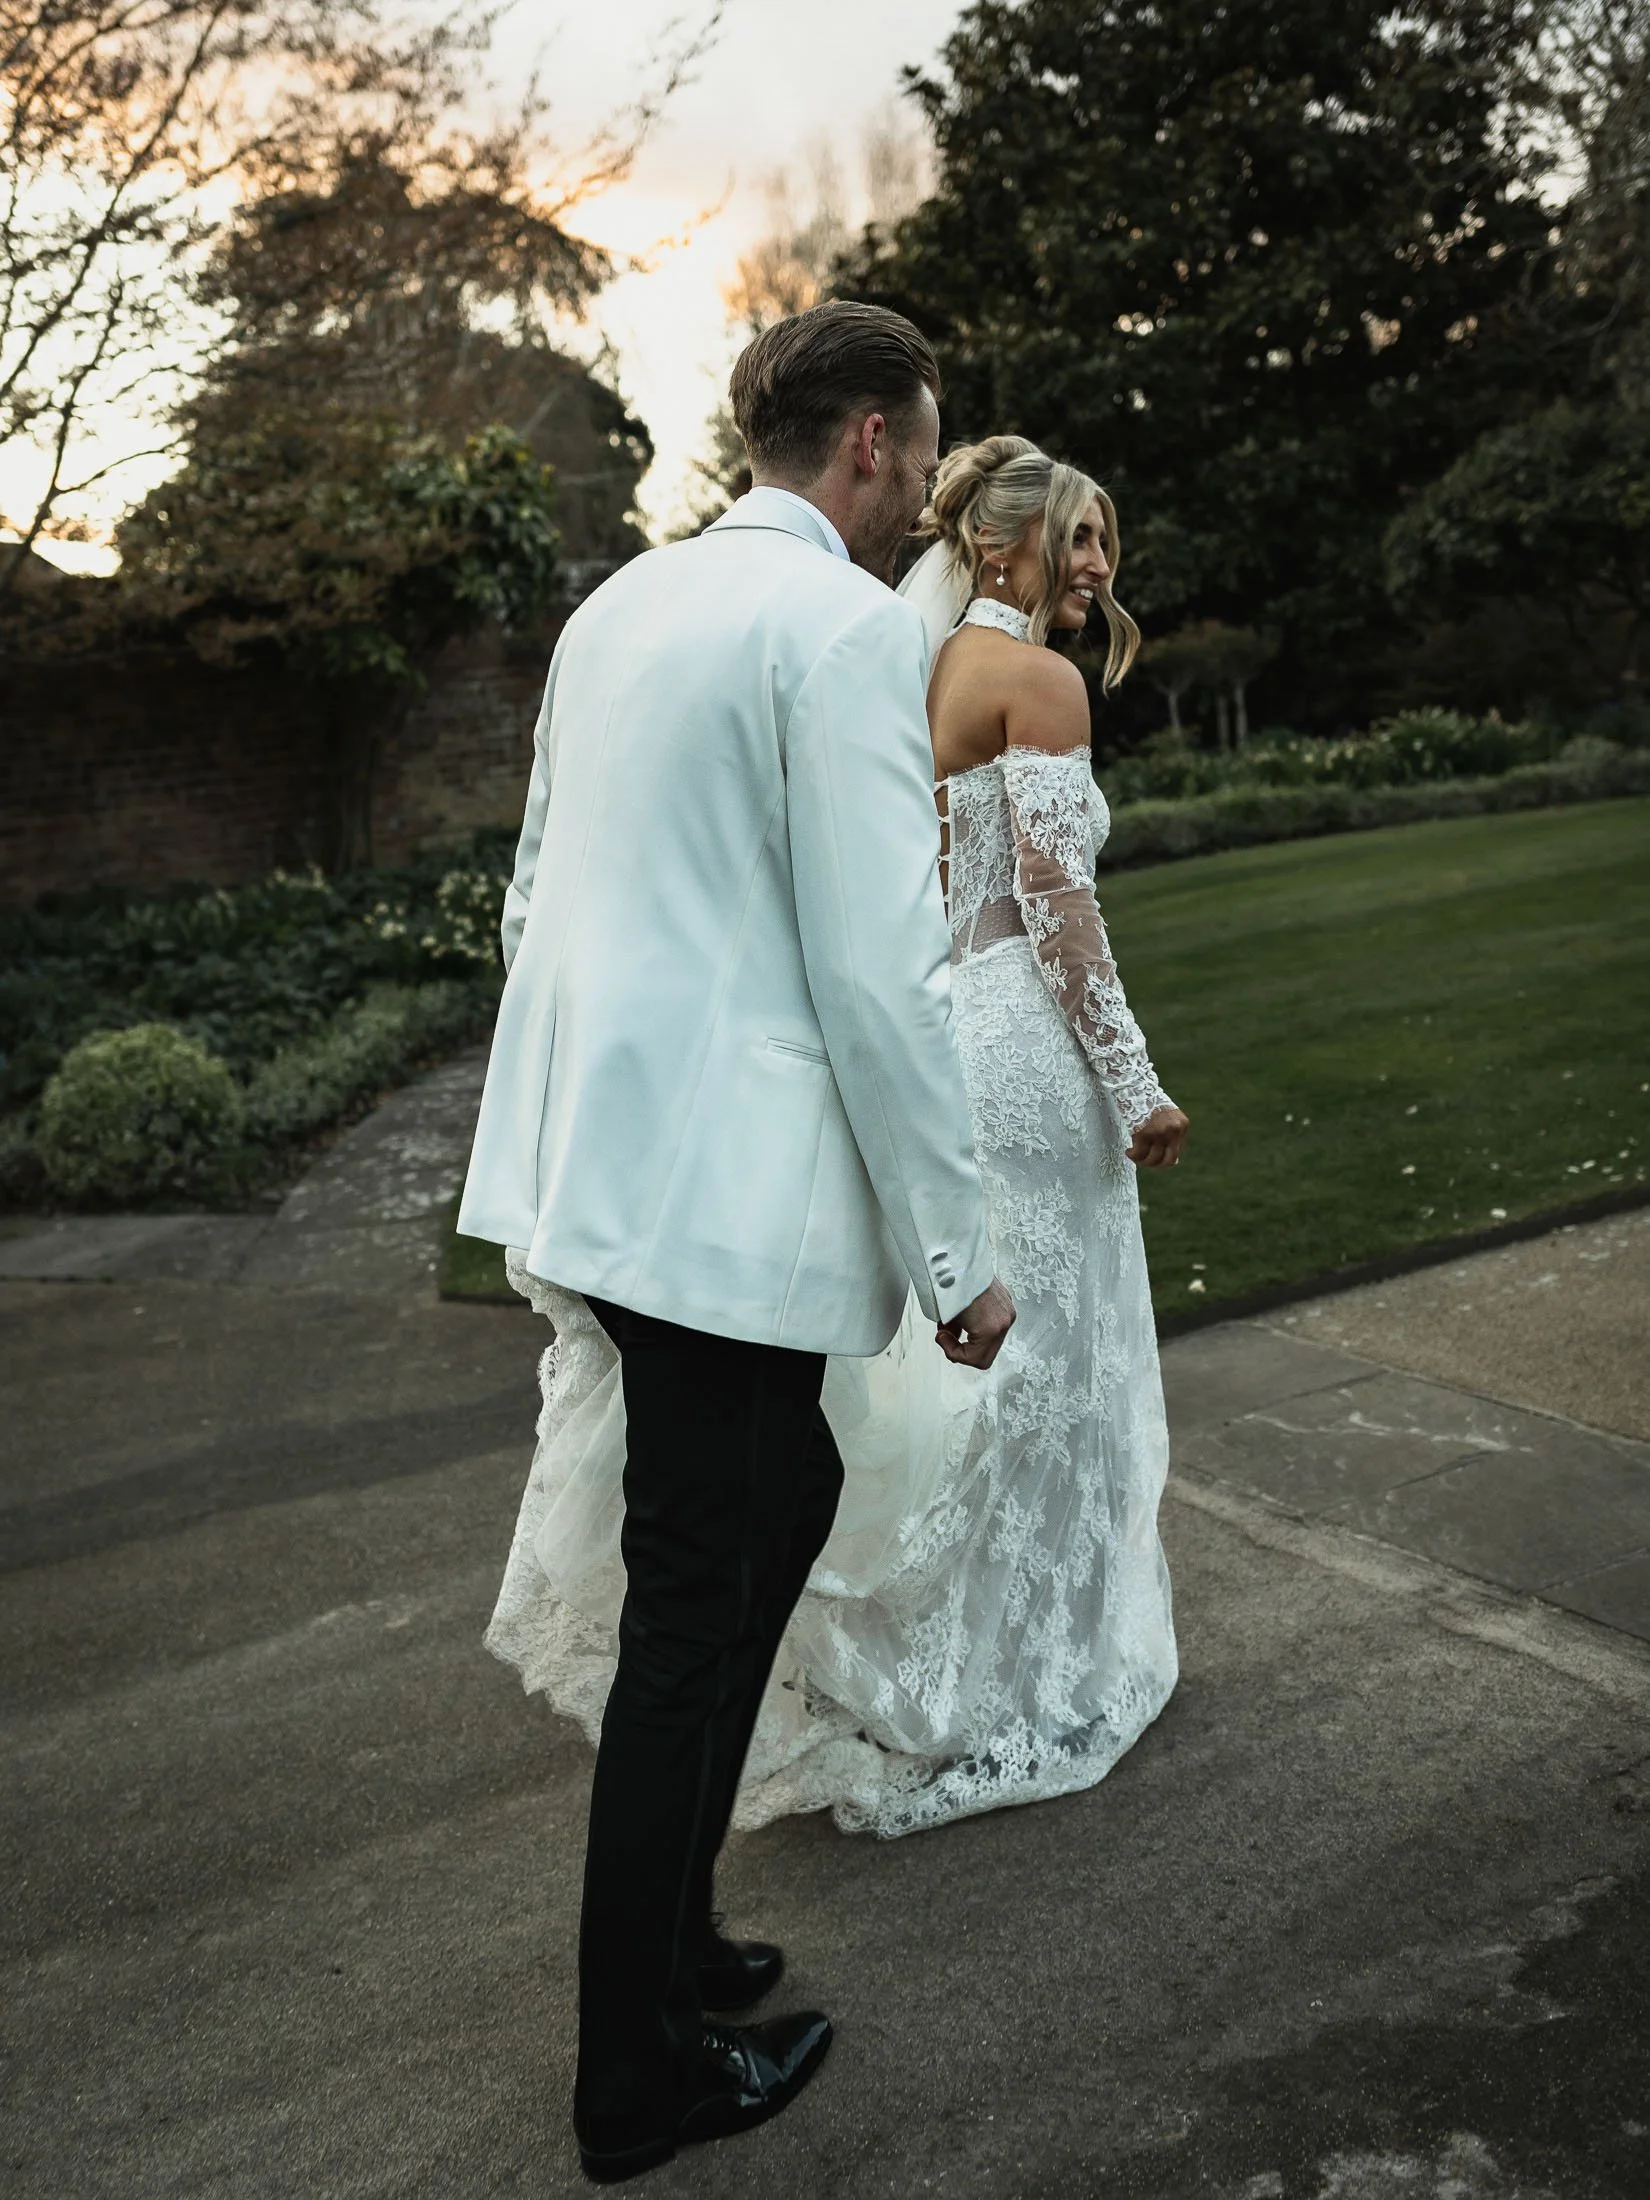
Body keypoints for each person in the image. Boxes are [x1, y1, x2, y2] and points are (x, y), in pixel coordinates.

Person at [458, 302, 1015, 2184]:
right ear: (866, 443)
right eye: (919, 453)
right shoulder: (850, 630)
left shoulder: (614, 607)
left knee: (773, 1496)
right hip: (716, 1205)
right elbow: (881, 972)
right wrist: (960, 1257)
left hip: (599, 1180)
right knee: (695, 1608)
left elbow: (536, 884)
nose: (922, 488)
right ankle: (642, 2076)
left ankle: (681, 1935)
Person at [489, 436, 1187, 1852]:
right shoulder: (1037, 683)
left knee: (980, 1400)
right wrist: (1135, 1086)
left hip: (945, 1049)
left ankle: (939, 1668)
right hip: (1029, 1054)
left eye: (1106, 538)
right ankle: (1044, 1671)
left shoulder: (914, 670)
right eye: (1077, 537)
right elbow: (1058, 913)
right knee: (1062, 1373)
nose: (1099, 565)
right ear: (1001, 551)